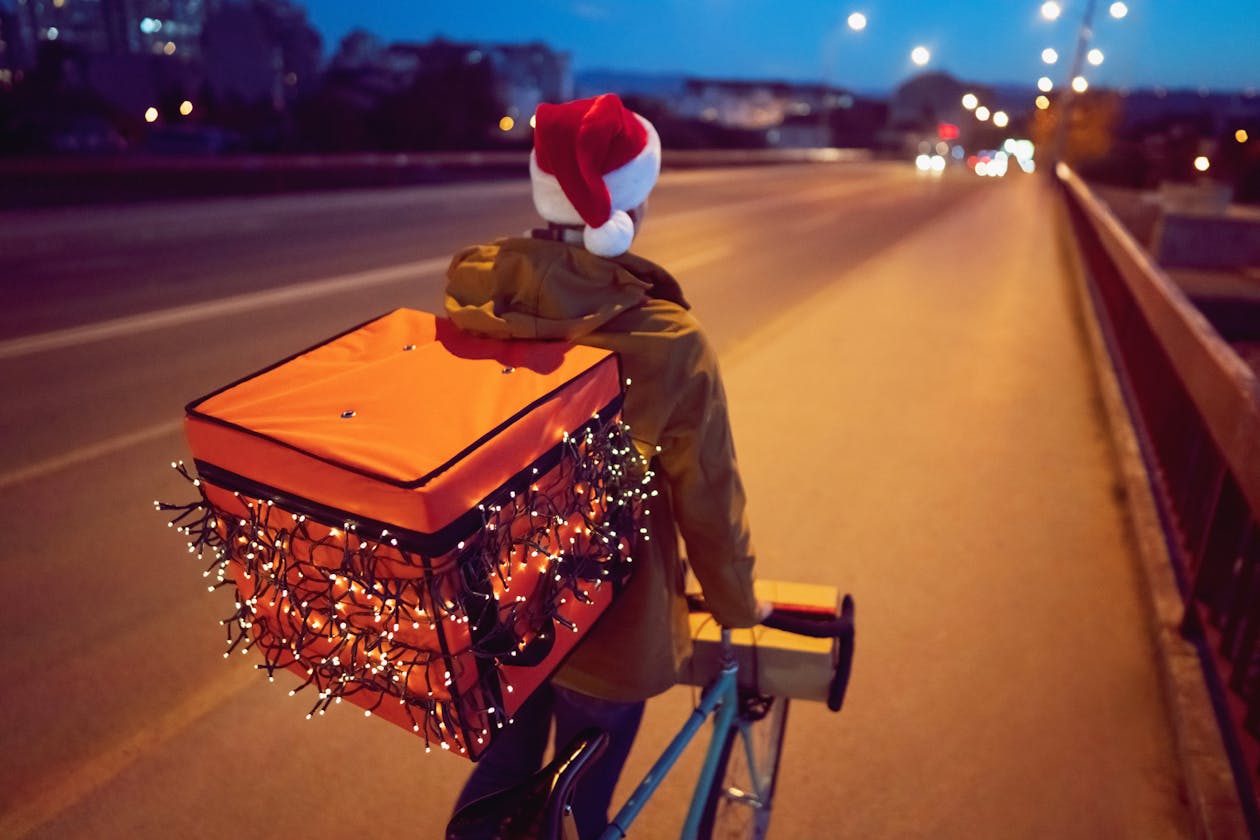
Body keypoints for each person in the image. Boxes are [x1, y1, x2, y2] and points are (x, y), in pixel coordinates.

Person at [444, 93, 765, 839]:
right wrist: (739, 607)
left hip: (493, 608)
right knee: (580, 801)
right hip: (608, 623)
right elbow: (707, 497)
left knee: (502, 777)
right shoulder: (667, 339)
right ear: (637, 202)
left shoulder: (475, 301)